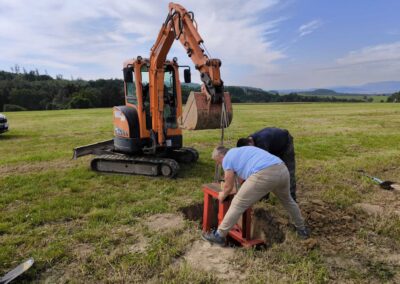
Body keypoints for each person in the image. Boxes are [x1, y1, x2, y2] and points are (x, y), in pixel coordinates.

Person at [202, 145, 309, 246]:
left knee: (237, 203)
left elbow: (228, 186)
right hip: (281, 169)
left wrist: (223, 194)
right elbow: (239, 180)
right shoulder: (240, 152)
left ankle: (219, 235)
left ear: (220, 155)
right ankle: (302, 229)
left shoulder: (227, 159)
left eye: (218, 161)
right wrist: (235, 189)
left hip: (264, 173)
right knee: (288, 201)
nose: (219, 164)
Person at [237, 127, 297, 201]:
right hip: (272, 146)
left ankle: (292, 198)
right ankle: (264, 198)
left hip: (285, 144)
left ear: (250, 143)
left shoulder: (262, 141)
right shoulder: (250, 141)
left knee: (288, 171)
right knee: (267, 173)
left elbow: (263, 167)